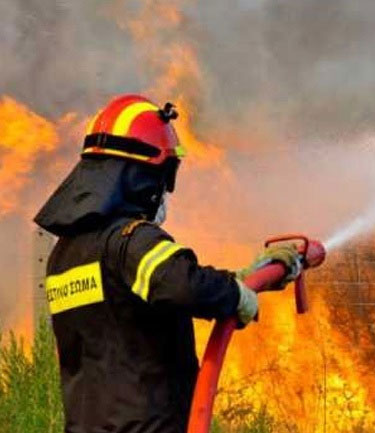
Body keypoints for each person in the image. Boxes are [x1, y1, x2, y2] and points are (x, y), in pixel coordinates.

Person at [34, 94, 301, 433]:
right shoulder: (131, 240)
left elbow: (137, 298)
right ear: (141, 177)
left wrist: (239, 279)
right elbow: (182, 284)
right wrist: (236, 295)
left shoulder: (65, 255)